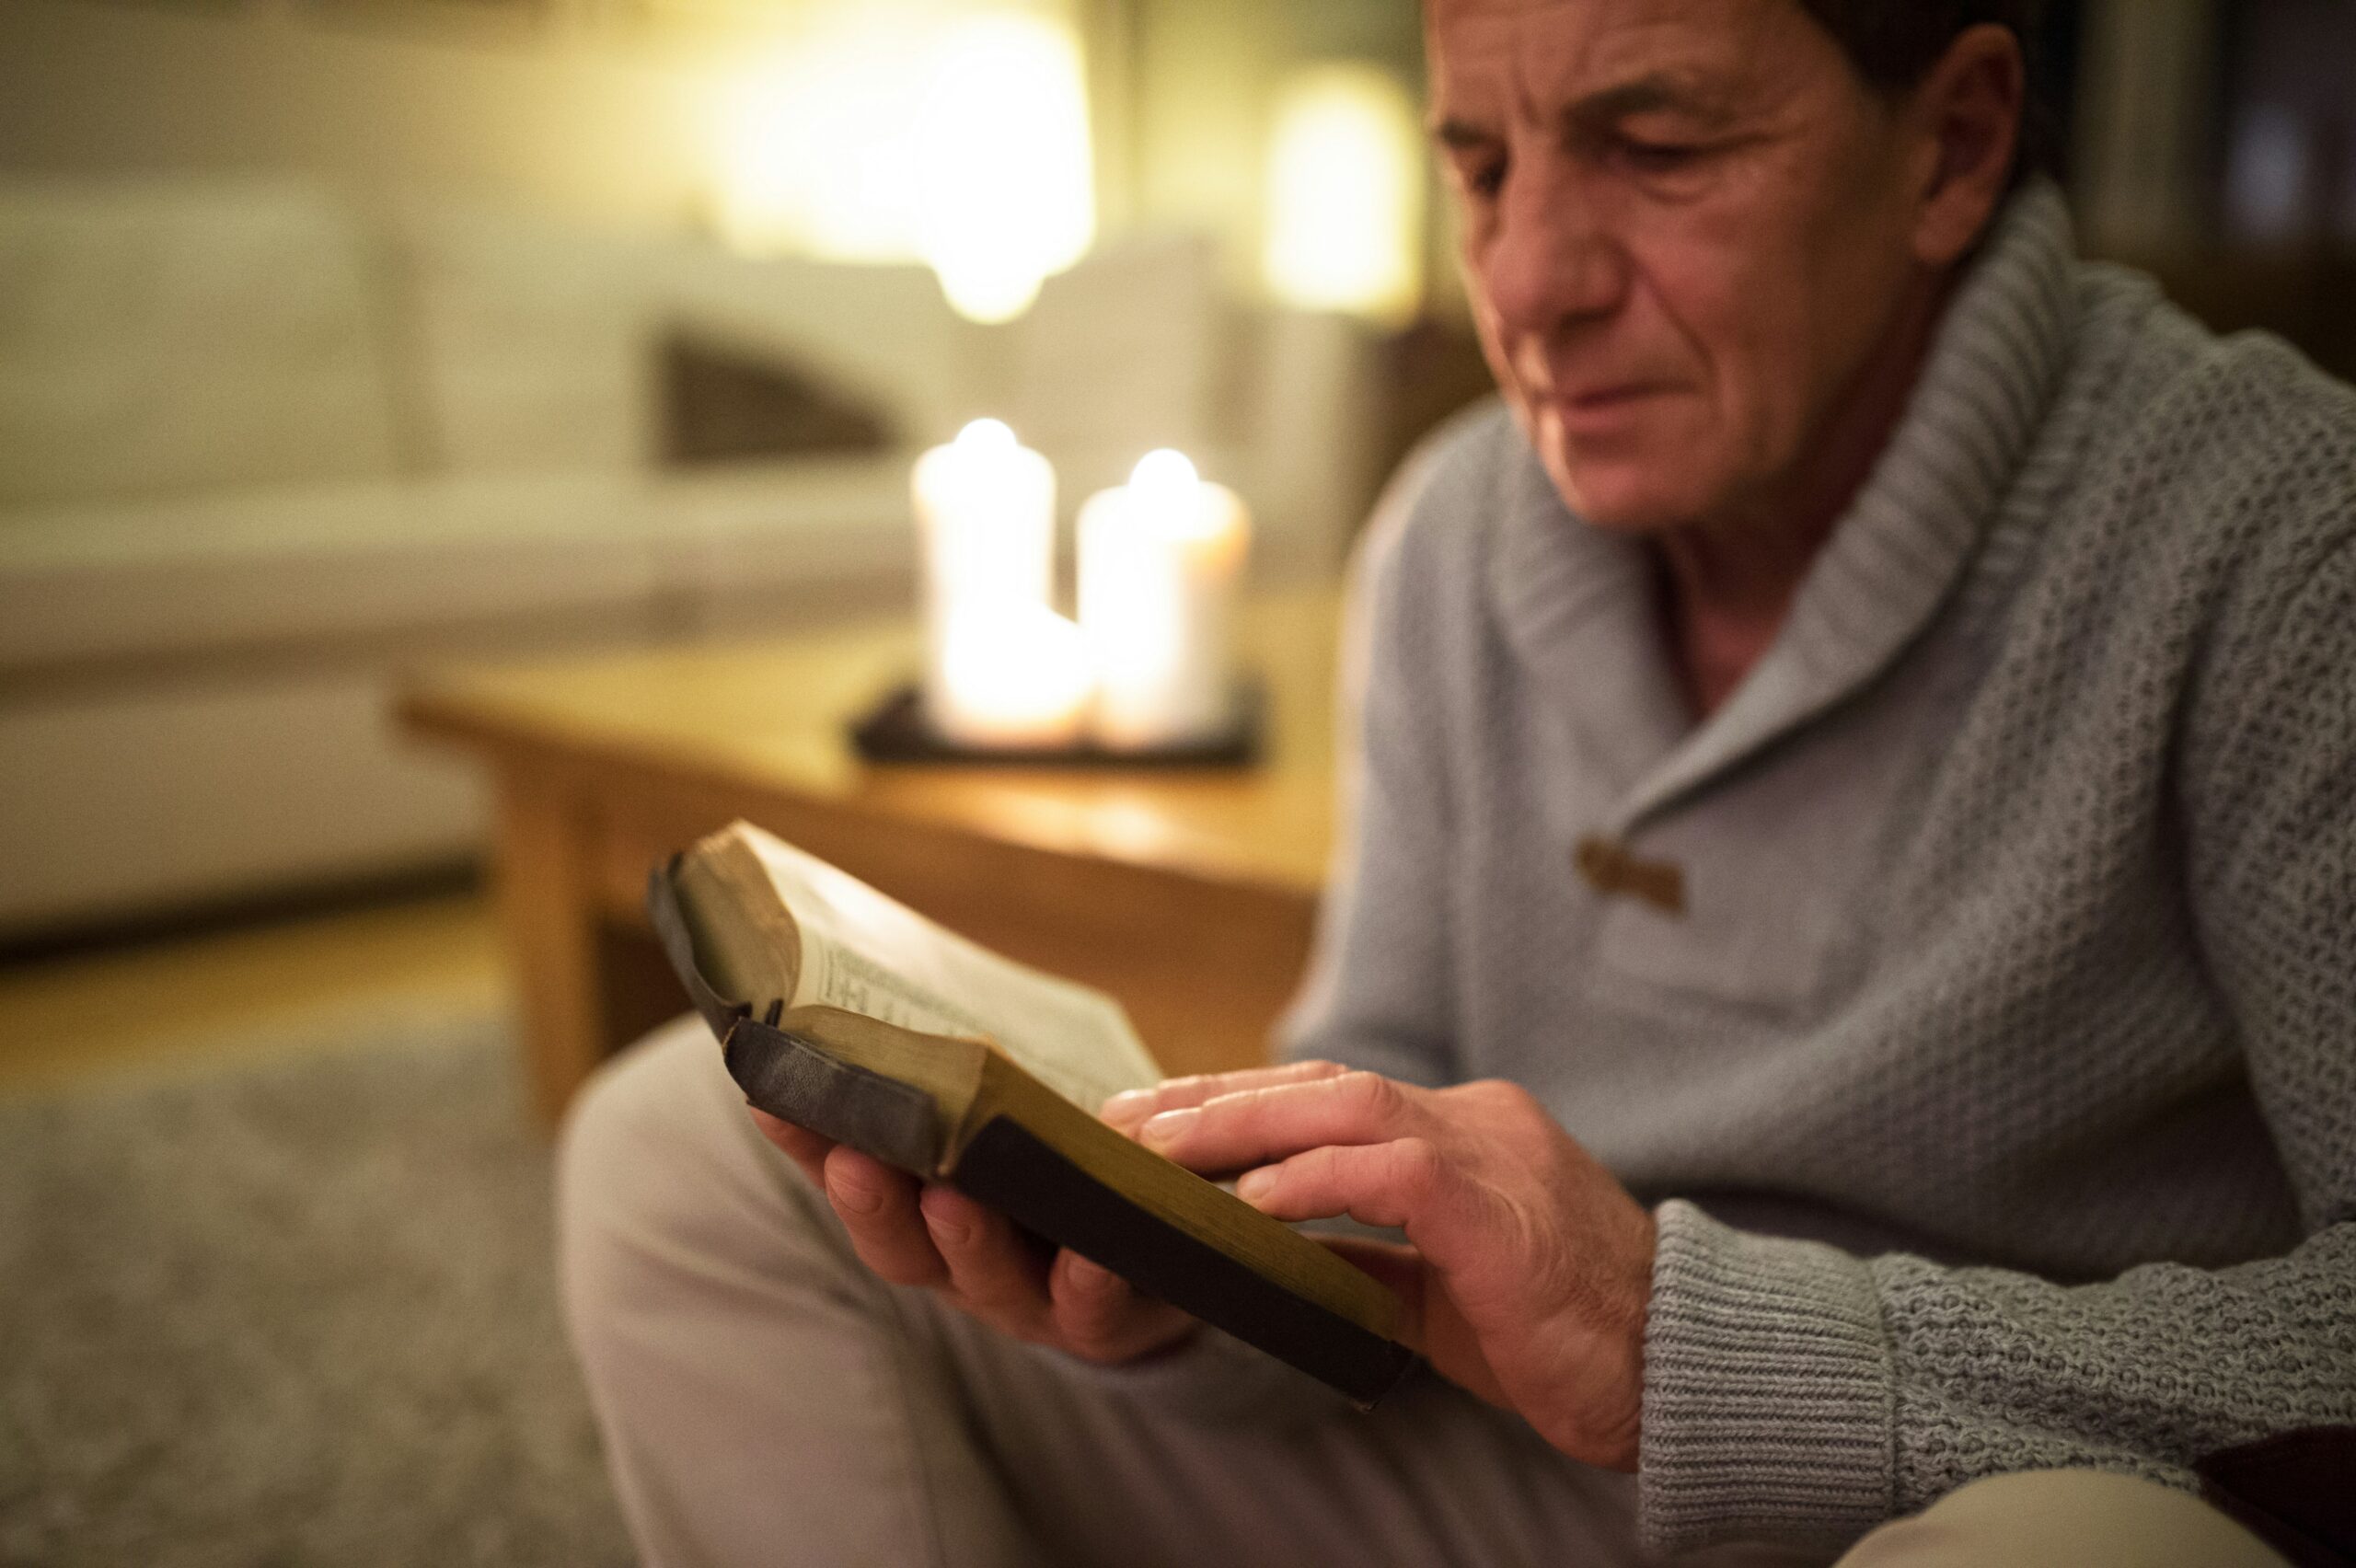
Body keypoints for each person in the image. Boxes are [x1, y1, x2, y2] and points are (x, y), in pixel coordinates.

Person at [555, 1, 2356, 1562]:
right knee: (670, 1148)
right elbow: (1374, 1182)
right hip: (1506, 1465)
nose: (1525, 284)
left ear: (1949, 147)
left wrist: (1675, 1341)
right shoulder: (1454, 531)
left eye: (1655, 148)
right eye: (1481, 166)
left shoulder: (2285, 542)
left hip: (1982, 1482)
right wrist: (1178, 1295)